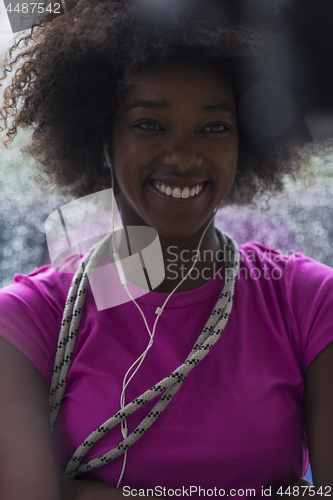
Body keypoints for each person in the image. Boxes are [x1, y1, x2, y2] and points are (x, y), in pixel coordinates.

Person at [0, 1, 333, 499]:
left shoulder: (308, 301)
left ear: (244, 145)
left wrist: (79, 492)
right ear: (104, 144)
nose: (182, 156)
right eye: (150, 125)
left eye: (215, 127)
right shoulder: (28, 320)